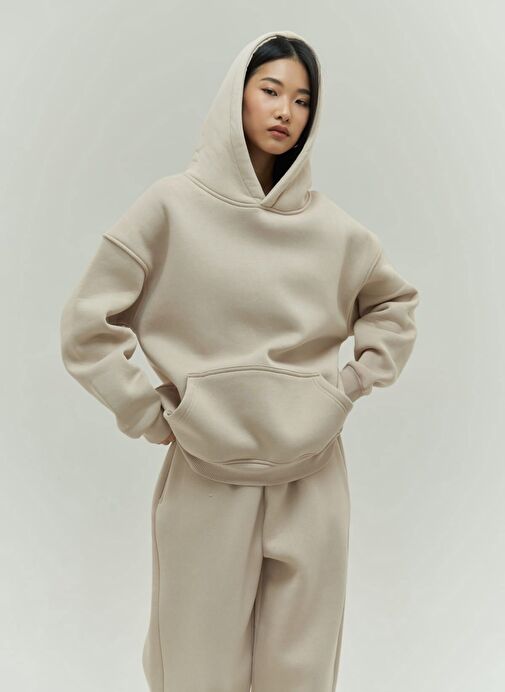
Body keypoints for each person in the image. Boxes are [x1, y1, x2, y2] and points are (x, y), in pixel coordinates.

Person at [60, 29, 419, 692]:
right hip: (205, 471)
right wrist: (149, 412)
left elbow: (393, 304)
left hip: (312, 476)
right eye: (270, 90)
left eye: (302, 100)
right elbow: (86, 326)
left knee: (301, 673)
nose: (285, 111)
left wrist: (347, 384)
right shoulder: (169, 207)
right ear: (236, 96)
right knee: (195, 669)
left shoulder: (333, 229)